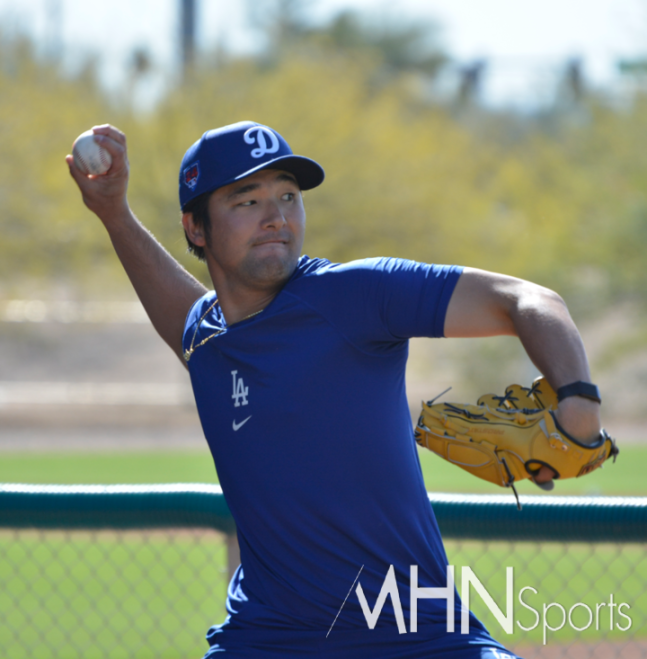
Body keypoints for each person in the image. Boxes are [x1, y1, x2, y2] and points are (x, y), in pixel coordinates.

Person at [67, 122, 603, 659]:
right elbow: (179, 309)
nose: (276, 217)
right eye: (247, 200)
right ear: (196, 227)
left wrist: (578, 399)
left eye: (288, 197)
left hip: (421, 636)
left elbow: (528, 300)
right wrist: (114, 213)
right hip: (267, 640)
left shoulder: (354, 296)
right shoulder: (206, 338)